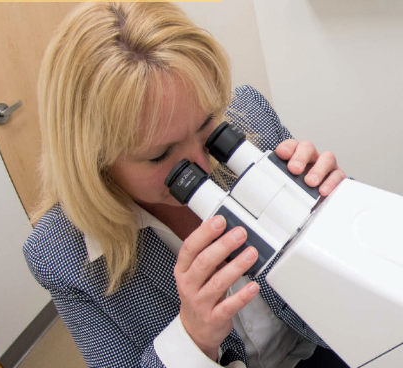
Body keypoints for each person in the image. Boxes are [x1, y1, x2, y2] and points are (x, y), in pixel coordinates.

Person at [22, 3, 348, 367]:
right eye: (160, 154)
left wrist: (337, 214)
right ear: (93, 162)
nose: (202, 165)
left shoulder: (249, 118)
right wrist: (192, 341)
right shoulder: (59, 255)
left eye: (207, 123)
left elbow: (355, 294)